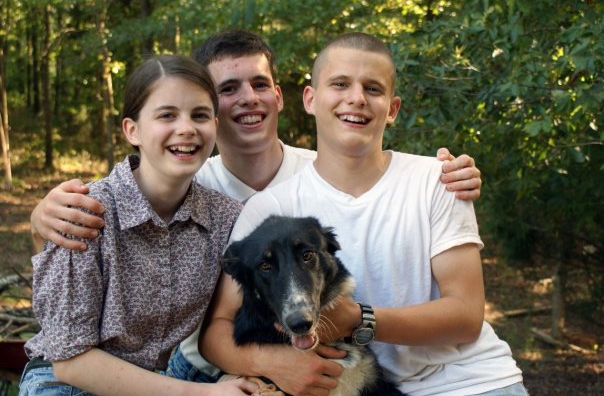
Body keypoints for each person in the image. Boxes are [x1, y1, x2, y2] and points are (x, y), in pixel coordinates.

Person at [28, 31, 483, 392]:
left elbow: (374, 169)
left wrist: (443, 172)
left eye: (259, 84)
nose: (248, 97)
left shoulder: (306, 179)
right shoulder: (184, 184)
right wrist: (39, 221)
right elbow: (69, 333)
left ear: (283, 97)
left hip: (201, 375)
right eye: (228, 88)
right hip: (169, 376)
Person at [199, 33, 528, 396]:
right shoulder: (270, 210)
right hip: (358, 384)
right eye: (340, 84)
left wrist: (359, 318)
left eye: (373, 88)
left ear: (392, 109)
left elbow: (466, 316)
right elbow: (216, 332)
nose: (356, 98)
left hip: (470, 382)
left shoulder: (438, 180)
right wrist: (274, 364)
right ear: (310, 99)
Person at [19, 55, 258, 396]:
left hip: (155, 382)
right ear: (133, 130)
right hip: (63, 385)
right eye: (167, 115)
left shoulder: (224, 219)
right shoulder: (85, 212)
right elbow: (69, 360)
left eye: (200, 115)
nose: (187, 128)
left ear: (215, 127)